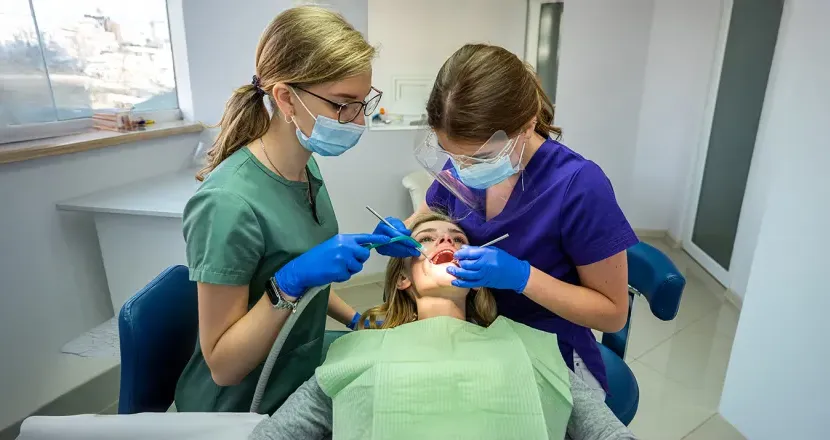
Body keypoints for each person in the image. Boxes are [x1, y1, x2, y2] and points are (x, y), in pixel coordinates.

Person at [385, 43, 640, 398]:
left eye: (481, 157)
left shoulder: (579, 186)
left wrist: (524, 278)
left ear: (528, 124)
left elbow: (613, 314)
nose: (463, 169)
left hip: (552, 354)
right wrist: (404, 230)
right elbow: (430, 213)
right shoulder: (464, 161)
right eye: (452, 155)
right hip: (480, 339)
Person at [175, 6, 394, 414]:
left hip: (295, 369)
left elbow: (303, 262)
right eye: (343, 105)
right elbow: (223, 366)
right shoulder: (228, 204)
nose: (358, 121)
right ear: (285, 98)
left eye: (364, 103)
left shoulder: (303, 164)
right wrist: (287, 284)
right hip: (241, 405)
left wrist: (355, 319)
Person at [249, 212, 637, 440]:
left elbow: (607, 433)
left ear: (479, 273)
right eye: (426, 239)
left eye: (457, 238)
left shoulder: (530, 345)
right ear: (403, 278)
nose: (445, 240)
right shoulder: (356, 354)